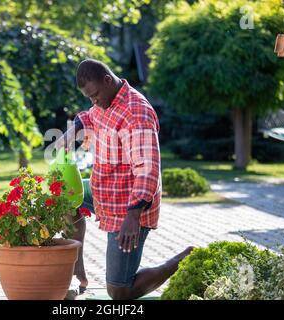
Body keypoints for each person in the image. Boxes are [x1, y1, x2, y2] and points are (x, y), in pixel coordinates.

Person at [57, 59, 194, 300]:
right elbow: (90, 116)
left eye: (95, 95)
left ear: (108, 80)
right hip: (103, 191)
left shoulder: (136, 112)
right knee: (65, 197)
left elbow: (148, 169)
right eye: (89, 97)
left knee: (119, 291)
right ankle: (76, 263)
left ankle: (184, 258)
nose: (94, 101)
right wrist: (72, 130)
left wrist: (133, 216)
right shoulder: (105, 100)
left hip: (129, 207)